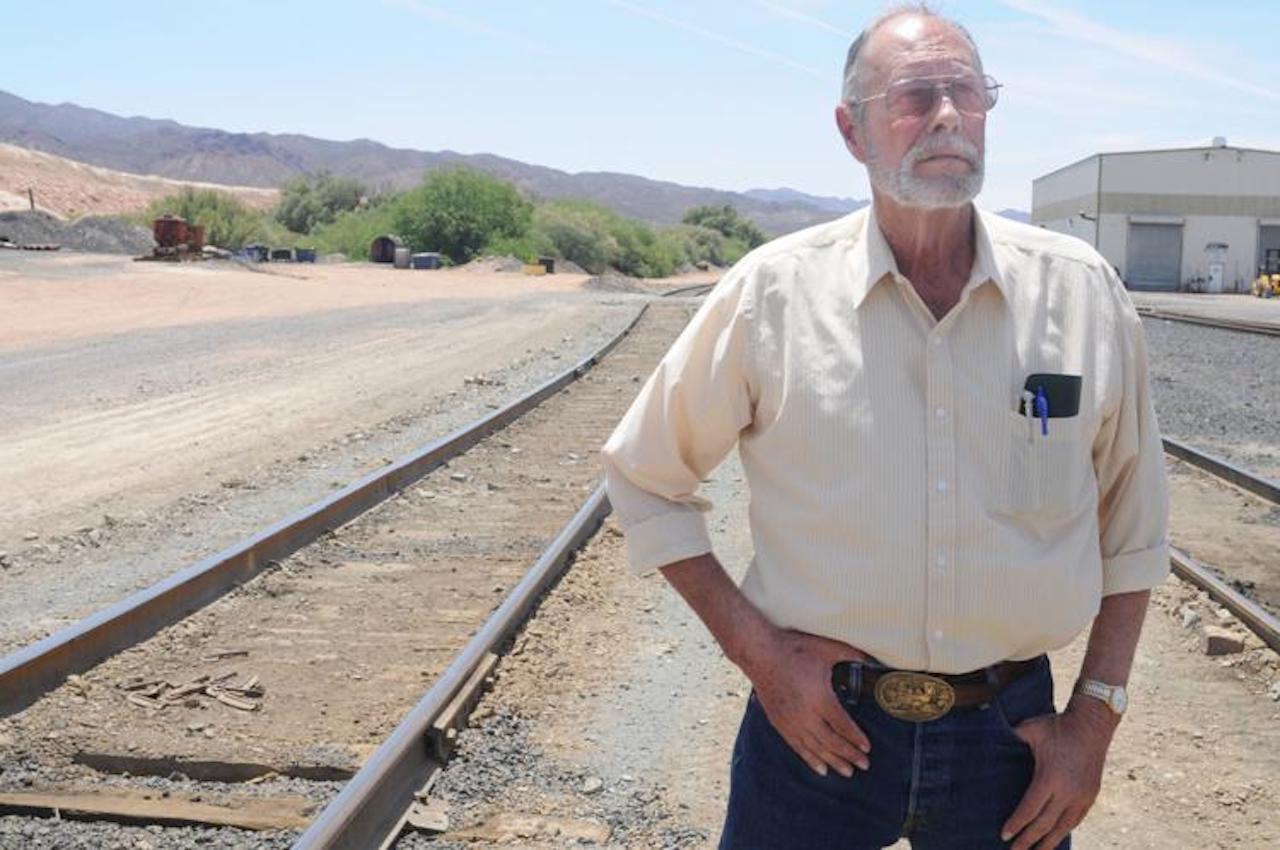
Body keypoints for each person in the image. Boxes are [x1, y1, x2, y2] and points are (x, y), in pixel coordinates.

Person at [600, 4, 1170, 849]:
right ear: (851, 130)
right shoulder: (774, 295)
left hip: (1010, 741)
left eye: (966, 92)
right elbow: (646, 478)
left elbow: (1134, 526)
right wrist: (762, 658)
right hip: (816, 729)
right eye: (914, 95)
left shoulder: (1080, 294)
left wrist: (1094, 718)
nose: (947, 114)